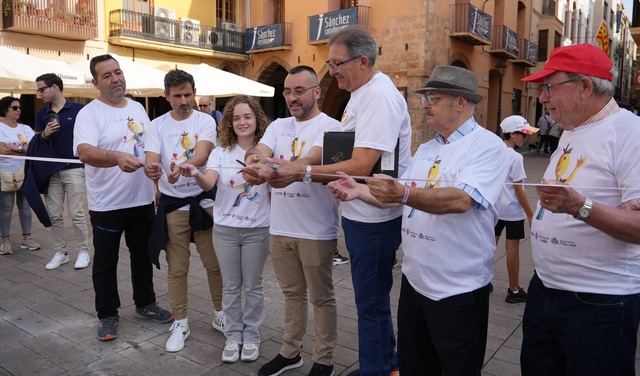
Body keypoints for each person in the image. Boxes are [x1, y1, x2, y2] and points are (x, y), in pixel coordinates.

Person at [328, 65, 509, 376]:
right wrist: (357, 191)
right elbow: (399, 196)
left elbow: (461, 200)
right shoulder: (426, 149)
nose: (425, 104)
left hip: (457, 289)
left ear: (461, 103)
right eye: (425, 97)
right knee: (414, 365)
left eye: (433, 98)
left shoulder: (487, 146)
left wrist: (404, 194)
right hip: (415, 285)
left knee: (456, 368)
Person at [273, 25, 412, 376]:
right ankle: (387, 365)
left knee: (370, 303)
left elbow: (363, 164)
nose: (332, 71)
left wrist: (302, 173)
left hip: (374, 216)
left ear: (363, 61)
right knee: (372, 300)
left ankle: (376, 370)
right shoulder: (361, 94)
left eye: (337, 63)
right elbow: (341, 152)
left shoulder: (379, 96)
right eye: (330, 64)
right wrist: (303, 165)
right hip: (359, 210)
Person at [520, 43, 640, 375]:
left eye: (549, 87)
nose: (543, 98)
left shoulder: (630, 134)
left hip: (598, 302)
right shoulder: (571, 132)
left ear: (584, 86)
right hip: (545, 289)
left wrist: (579, 206)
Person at [242, 65, 340, 376]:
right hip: (280, 226)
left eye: (299, 91)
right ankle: (290, 351)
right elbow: (259, 149)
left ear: (316, 92)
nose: (292, 98)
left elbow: (313, 156)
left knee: (322, 298)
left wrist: (290, 169)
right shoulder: (278, 126)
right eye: (287, 91)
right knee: (291, 294)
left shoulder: (332, 126)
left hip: (315, 229)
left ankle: (323, 359)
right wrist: (253, 161)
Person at [73, 54, 173, 341]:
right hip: (107, 204)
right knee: (105, 262)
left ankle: (145, 303)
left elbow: (148, 148)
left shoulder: (139, 109)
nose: (115, 78)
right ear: (95, 82)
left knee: (143, 255)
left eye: (117, 72)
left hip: (141, 199)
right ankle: (107, 314)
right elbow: (85, 152)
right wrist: (116, 157)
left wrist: (156, 182)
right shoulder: (89, 114)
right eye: (107, 75)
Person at [179, 95, 270, 363]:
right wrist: (195, 173)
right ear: (228, 123)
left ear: (257, 119)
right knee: (230, 287)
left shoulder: (267, 152)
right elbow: (209, 184)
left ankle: (252, 335)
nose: (242, 122)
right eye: (236, 118)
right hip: (226, 230)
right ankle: (233, 336)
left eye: (247, 116)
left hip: (257, 229)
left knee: (253, 286)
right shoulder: (220, 152)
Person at [143, 69, 224, 352]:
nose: (184, 100)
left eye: (188, 94)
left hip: (203, 200)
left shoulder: (205, 120)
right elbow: (152, 159)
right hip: (173, 203)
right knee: (177, 268)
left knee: (214, 263)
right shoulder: (156, 125)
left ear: (194, 92)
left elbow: (203, 153)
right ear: (167, 97)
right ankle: (181, 321)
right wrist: (153, 170)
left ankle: (221, 313)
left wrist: (186, 166)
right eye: (177, 96)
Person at [32, 73, 90, 270]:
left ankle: (83, 251)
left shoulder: (79, 110)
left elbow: (87, 138)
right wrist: (45, 135)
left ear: (54, 87)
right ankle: (61, 252)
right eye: (38, 90)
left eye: (42, 89)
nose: (39, 94)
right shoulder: (41, 114)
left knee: (76, 213)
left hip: (73, 167)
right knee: (54, 214)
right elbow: (37, 142)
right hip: (51, 170)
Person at [495, 115, 537, 304]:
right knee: (512, 248)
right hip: (512, 211)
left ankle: (482, 282)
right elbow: (518, 188)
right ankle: (513, 289)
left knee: (488, 247)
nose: (525, 139)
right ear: (512, 134)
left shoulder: (494, 152)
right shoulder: (516, 157)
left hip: (494, 208)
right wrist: (530, 213)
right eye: (523, 135)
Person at [0, 96, 40, 255]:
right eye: (14, 108)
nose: (19, 110)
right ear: (5, 110)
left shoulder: (26, 129)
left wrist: (12, 148)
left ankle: (27, 238)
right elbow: (1, 150)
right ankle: (5, 241)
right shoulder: (0, 127)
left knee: (25, 206)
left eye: (19, 108)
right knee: (6, 207)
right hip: (5, 172)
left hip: (25, 171)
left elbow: (33, 148)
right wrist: (22, 150)